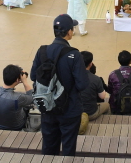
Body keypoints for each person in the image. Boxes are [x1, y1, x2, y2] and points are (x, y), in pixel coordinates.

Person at [31, 14, 89, 156]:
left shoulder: (42, 51)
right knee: (68, 148)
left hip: (48, 107)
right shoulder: (74, 55)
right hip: (69, 109)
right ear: (69, 32)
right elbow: (82, 84)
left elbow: (33, 77)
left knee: (49, 147)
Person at [0, 64, 34, 130]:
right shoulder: (17, 98)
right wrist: (25, 82)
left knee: (17, 105)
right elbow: (33, 98)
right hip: (16, 126)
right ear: (17, 80)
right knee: (27, 105)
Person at [79, 50, 109, 135]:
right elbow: (102, 96)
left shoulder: (70, 76)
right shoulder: (96, 79)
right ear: (90, 64)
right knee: (107, 105)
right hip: (91, 113)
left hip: (74, 111)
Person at [107, 50, 131, 114]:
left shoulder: (113, 74)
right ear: (130, 61)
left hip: (116, 105)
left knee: (111, 92)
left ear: (119, 61)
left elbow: (110, 90)